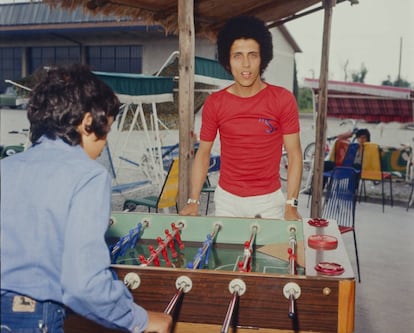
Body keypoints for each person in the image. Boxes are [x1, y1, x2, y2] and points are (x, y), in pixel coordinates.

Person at [0, 64, 172, 333]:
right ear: (88, 122)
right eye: (108, 130)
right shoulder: (88, 175)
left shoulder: (6, 168)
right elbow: (83, 283)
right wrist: (140, 319)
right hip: (35, 318)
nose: (105, 143)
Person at [180, 15, 303, 220]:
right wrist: (193, 201)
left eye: (252, 55)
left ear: (262, 58)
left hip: (269, 203)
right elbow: (203, 153)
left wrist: (291, 204)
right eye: (237, 55)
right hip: (227, 201)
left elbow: (295, 154)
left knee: (271, 253)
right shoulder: (215, 103)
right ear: (227, 60)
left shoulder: (283, 99)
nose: (245, 64)